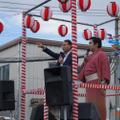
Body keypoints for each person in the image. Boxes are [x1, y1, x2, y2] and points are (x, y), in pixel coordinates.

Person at [37, 39, 73, 119]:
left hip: (67, 82)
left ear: (70, 46)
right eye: (62, 45)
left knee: (67, 104)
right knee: (61, 102)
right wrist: (44, 47)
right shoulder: (62, 55)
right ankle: (62, 117)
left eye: (64, 45)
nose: (63, 47)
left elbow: (72, 68)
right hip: (59, 82)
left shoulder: (73, 56)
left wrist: (63, 63)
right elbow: (53, 54)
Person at [78, 37, 110, 120]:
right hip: (89, 84)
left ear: (96, 44)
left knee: (98, 106)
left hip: (97, 83)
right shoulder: (89, 56)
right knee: (89, 106)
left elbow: (105, 70)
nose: (89, 45)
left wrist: (103, 85)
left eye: (90, 43)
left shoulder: (102, 54)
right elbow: (84, 70)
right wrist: (85, 61)